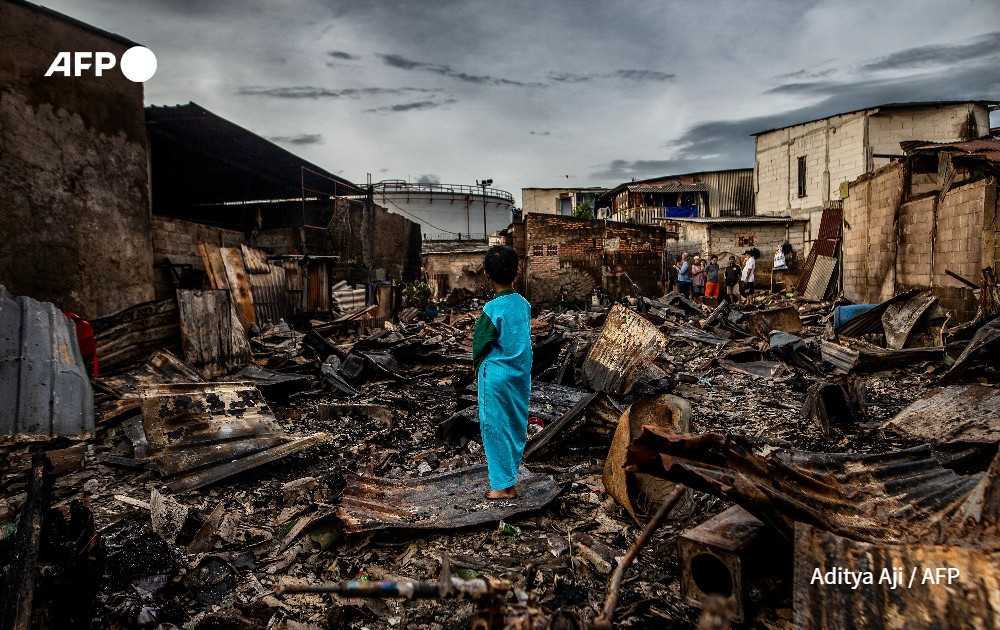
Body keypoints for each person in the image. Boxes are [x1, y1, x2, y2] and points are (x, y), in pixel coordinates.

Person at [472, 245, 532, 499]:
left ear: (486, 274)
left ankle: (501, 487)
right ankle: (509, 480)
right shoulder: (524, 305)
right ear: (517, 272)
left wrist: (478, 370)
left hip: (495, 377)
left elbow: (480, 345)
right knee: (515, 425)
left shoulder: (491, 310)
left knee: (495, 428)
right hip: (519, 376)